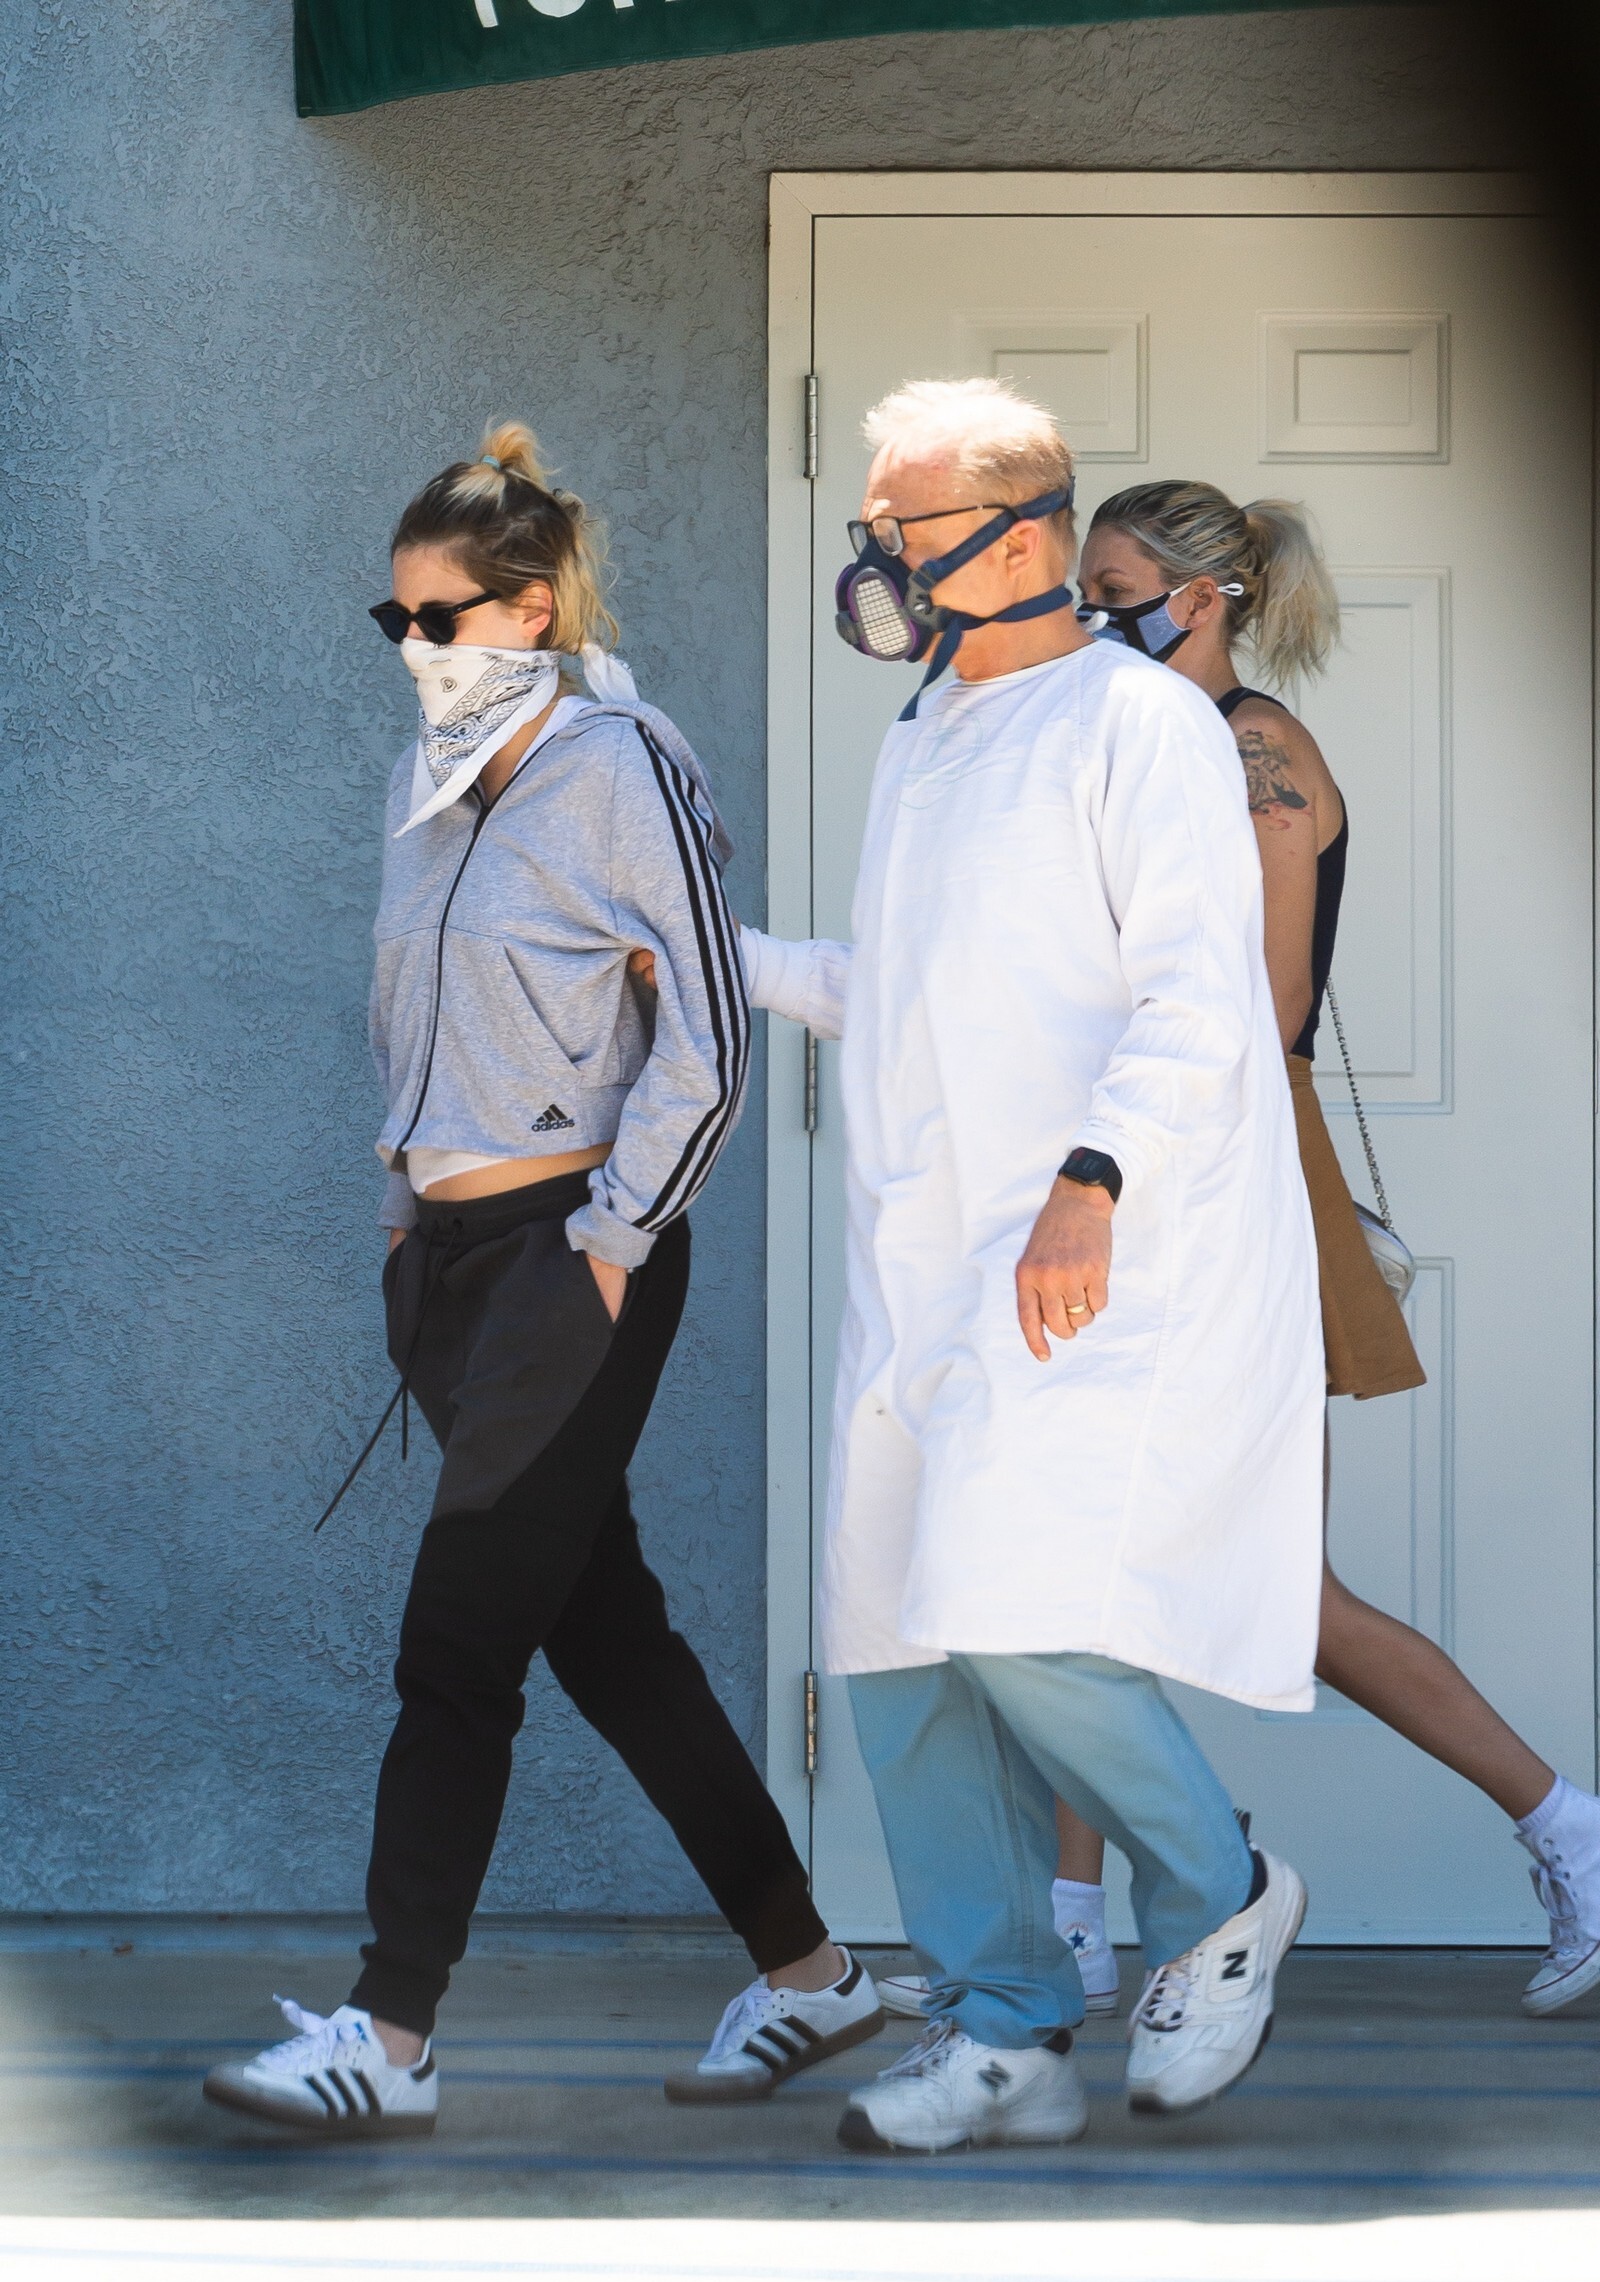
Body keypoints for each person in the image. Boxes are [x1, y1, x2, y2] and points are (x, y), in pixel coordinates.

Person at [204, 423, 882, 2137]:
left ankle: (391, 2037)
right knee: (608, 1635)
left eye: (440, 618)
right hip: (447, 1265)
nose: (415, 649)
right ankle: (813, 1972)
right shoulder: (425, 780)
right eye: (397, 620)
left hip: (569, 1259)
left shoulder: (620, 762)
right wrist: (401, 1199)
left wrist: (615, 1240)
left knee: (456, 1651)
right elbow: (410, 1001)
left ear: (528, 609)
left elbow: (709, 1034)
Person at [741, 379, 1323, 2153]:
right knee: (893, 1649)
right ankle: (1004, 2032)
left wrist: (1093, 1179)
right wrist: (716, 954)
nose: (877, 560)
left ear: (1023, 537)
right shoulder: (925, 732)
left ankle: (1221, 1893)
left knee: (1016, 1611)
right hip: (913, 1262)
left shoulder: (1137, 723)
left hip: (1075, 1255)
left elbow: (1200, 992)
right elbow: (908, 988)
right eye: (874, 527)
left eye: (902, 528)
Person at [1024, 478, 1600, 2022]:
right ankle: (1074, 1923)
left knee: (1273, 1591)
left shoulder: (1256, 751)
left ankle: (1572, 1835)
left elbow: (1265, 1007)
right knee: (1082, 1559)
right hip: (1138, 1158)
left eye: (1112, 593)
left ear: (1200, 600)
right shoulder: (1142, 743)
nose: (1087, 618)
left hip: (1224, 1169)